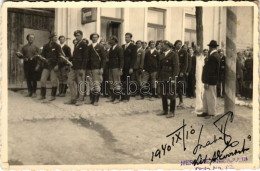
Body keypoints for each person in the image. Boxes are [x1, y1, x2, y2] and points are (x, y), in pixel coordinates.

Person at [65, 30, 89, 105]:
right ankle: (73, 98)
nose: (77, 37)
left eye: (78, 35)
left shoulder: (84, 45)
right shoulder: (76, 45)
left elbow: (85, 58)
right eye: (76, 35)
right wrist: (69, 59)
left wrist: (82, 68)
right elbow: (75, 56)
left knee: (80, 83)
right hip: (74, 67)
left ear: (82, 36)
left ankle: (80, 100)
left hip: (80, 68)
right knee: (69, 81)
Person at [198, 40, 220, 118]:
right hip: (210, 80)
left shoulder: (213, 57)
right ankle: (205, 111)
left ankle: (211, 113)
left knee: (211, 97)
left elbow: (211, 71)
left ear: (210, 47)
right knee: (206, 96)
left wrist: (206, 81)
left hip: (211, 80)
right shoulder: (213, 55)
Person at [157, 40, 179, 118]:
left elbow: (176, 68)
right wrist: (158, 78)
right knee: (163, 94)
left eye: (162, 45)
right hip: (163, 77)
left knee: (171, 94)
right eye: (161, 45)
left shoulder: (173, 54)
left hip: (170, 77)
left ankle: (172, 112)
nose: (161, 46)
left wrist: (174, 79)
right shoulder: (161, 54)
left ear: (167, 46)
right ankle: (165, 110)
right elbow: (159, 67)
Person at [38, 33, 63, 101]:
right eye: (55, 37)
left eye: (56, 37)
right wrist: (41, 58)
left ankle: (53, 96)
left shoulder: (57, 46)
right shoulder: (45, 46)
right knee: (42, 80)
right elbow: (43, 55)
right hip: (46, 65)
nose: (56, 39)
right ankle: (43, 95)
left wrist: (57, 65)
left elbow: (60, 57)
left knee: (53, 81)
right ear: (51, 38)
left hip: (54, 66)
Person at [85, 33, 106, 106]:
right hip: (89, 68)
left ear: (98, 38)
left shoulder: (100, 47)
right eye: (93, 37)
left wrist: (102, 68)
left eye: (96, 37)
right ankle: (91, 99)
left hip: (97, 68)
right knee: (91, 84)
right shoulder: (88, 47)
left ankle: (96, 100)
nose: (94, 38)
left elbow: (103, 59)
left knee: (96, 84)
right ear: (91, 38)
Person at [121, 32, 137, 102]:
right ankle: (122, 96)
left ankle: (127, 97)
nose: (126, 38)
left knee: (127, 82)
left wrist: (131, 67)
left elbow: (134, 58)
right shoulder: (122, 46)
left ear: (130, 38)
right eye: (125, 37)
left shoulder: (133, 46)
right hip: (123, 67)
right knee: (122, 82)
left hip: (128, 67)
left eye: (127, 37)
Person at [108, 36, 124, 104]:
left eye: (111, 40)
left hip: (116, 67)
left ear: (115, 40)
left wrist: (120, 68)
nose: (110, 41)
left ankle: (117, 98)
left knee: (116, 83)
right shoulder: (111, 48)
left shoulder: (119, 48)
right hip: (111, 67)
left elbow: (121, 59)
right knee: (111, 82)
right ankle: (113, 97)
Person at [174, 40, 188, 108]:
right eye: (177, 44)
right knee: (172, 86)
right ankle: (172, 101)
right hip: (173, 71)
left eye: (180, 44)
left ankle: (181, 101)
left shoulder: (184, 52)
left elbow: (186, 63)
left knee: (179, 86)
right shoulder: (173, 51)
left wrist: (183, 72)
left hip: (180, 71)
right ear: (175, 44)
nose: (179, 45)